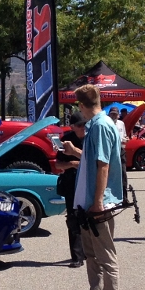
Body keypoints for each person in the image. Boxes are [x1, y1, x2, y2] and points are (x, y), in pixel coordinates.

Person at [63, 84, 123, 290]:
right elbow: (92, 160)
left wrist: (98, 201)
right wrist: (75, 151)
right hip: (88, 204)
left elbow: (103, 166)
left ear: (80, 105)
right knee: (91, 256)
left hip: (98, 204)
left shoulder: (99, 127)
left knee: (105, 256)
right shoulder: (97, 125)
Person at [55, 111, 86, 266]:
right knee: (73, 218)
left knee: (89, 217)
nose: (84, 128)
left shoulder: (91, 139)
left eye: (86, 124)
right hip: (71, 183)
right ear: (73, 127)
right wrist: (71, 164)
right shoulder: (66, 141)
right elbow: (57, 164)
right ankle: (76, 257)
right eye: (80, 125)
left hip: (88, 183)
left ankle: (88, 252)